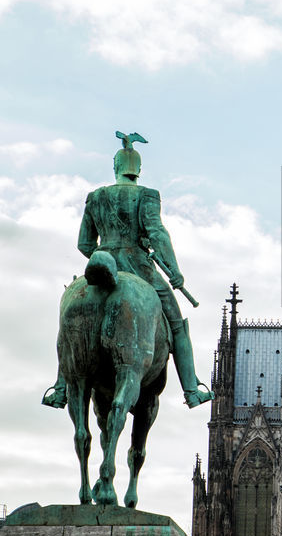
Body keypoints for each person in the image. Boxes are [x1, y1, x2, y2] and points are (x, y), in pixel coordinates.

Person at [43, 132, 213, 410]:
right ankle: (192, 390)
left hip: (101, 260)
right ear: (138, 170)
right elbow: (157, 234)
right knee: (178, 326)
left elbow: (84, 243)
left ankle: (60, 388)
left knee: (68, 324)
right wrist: (175, 271)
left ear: (116, 167)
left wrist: (103, 254)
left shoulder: (95, 197)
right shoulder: (147, 195)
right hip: (140, 267)